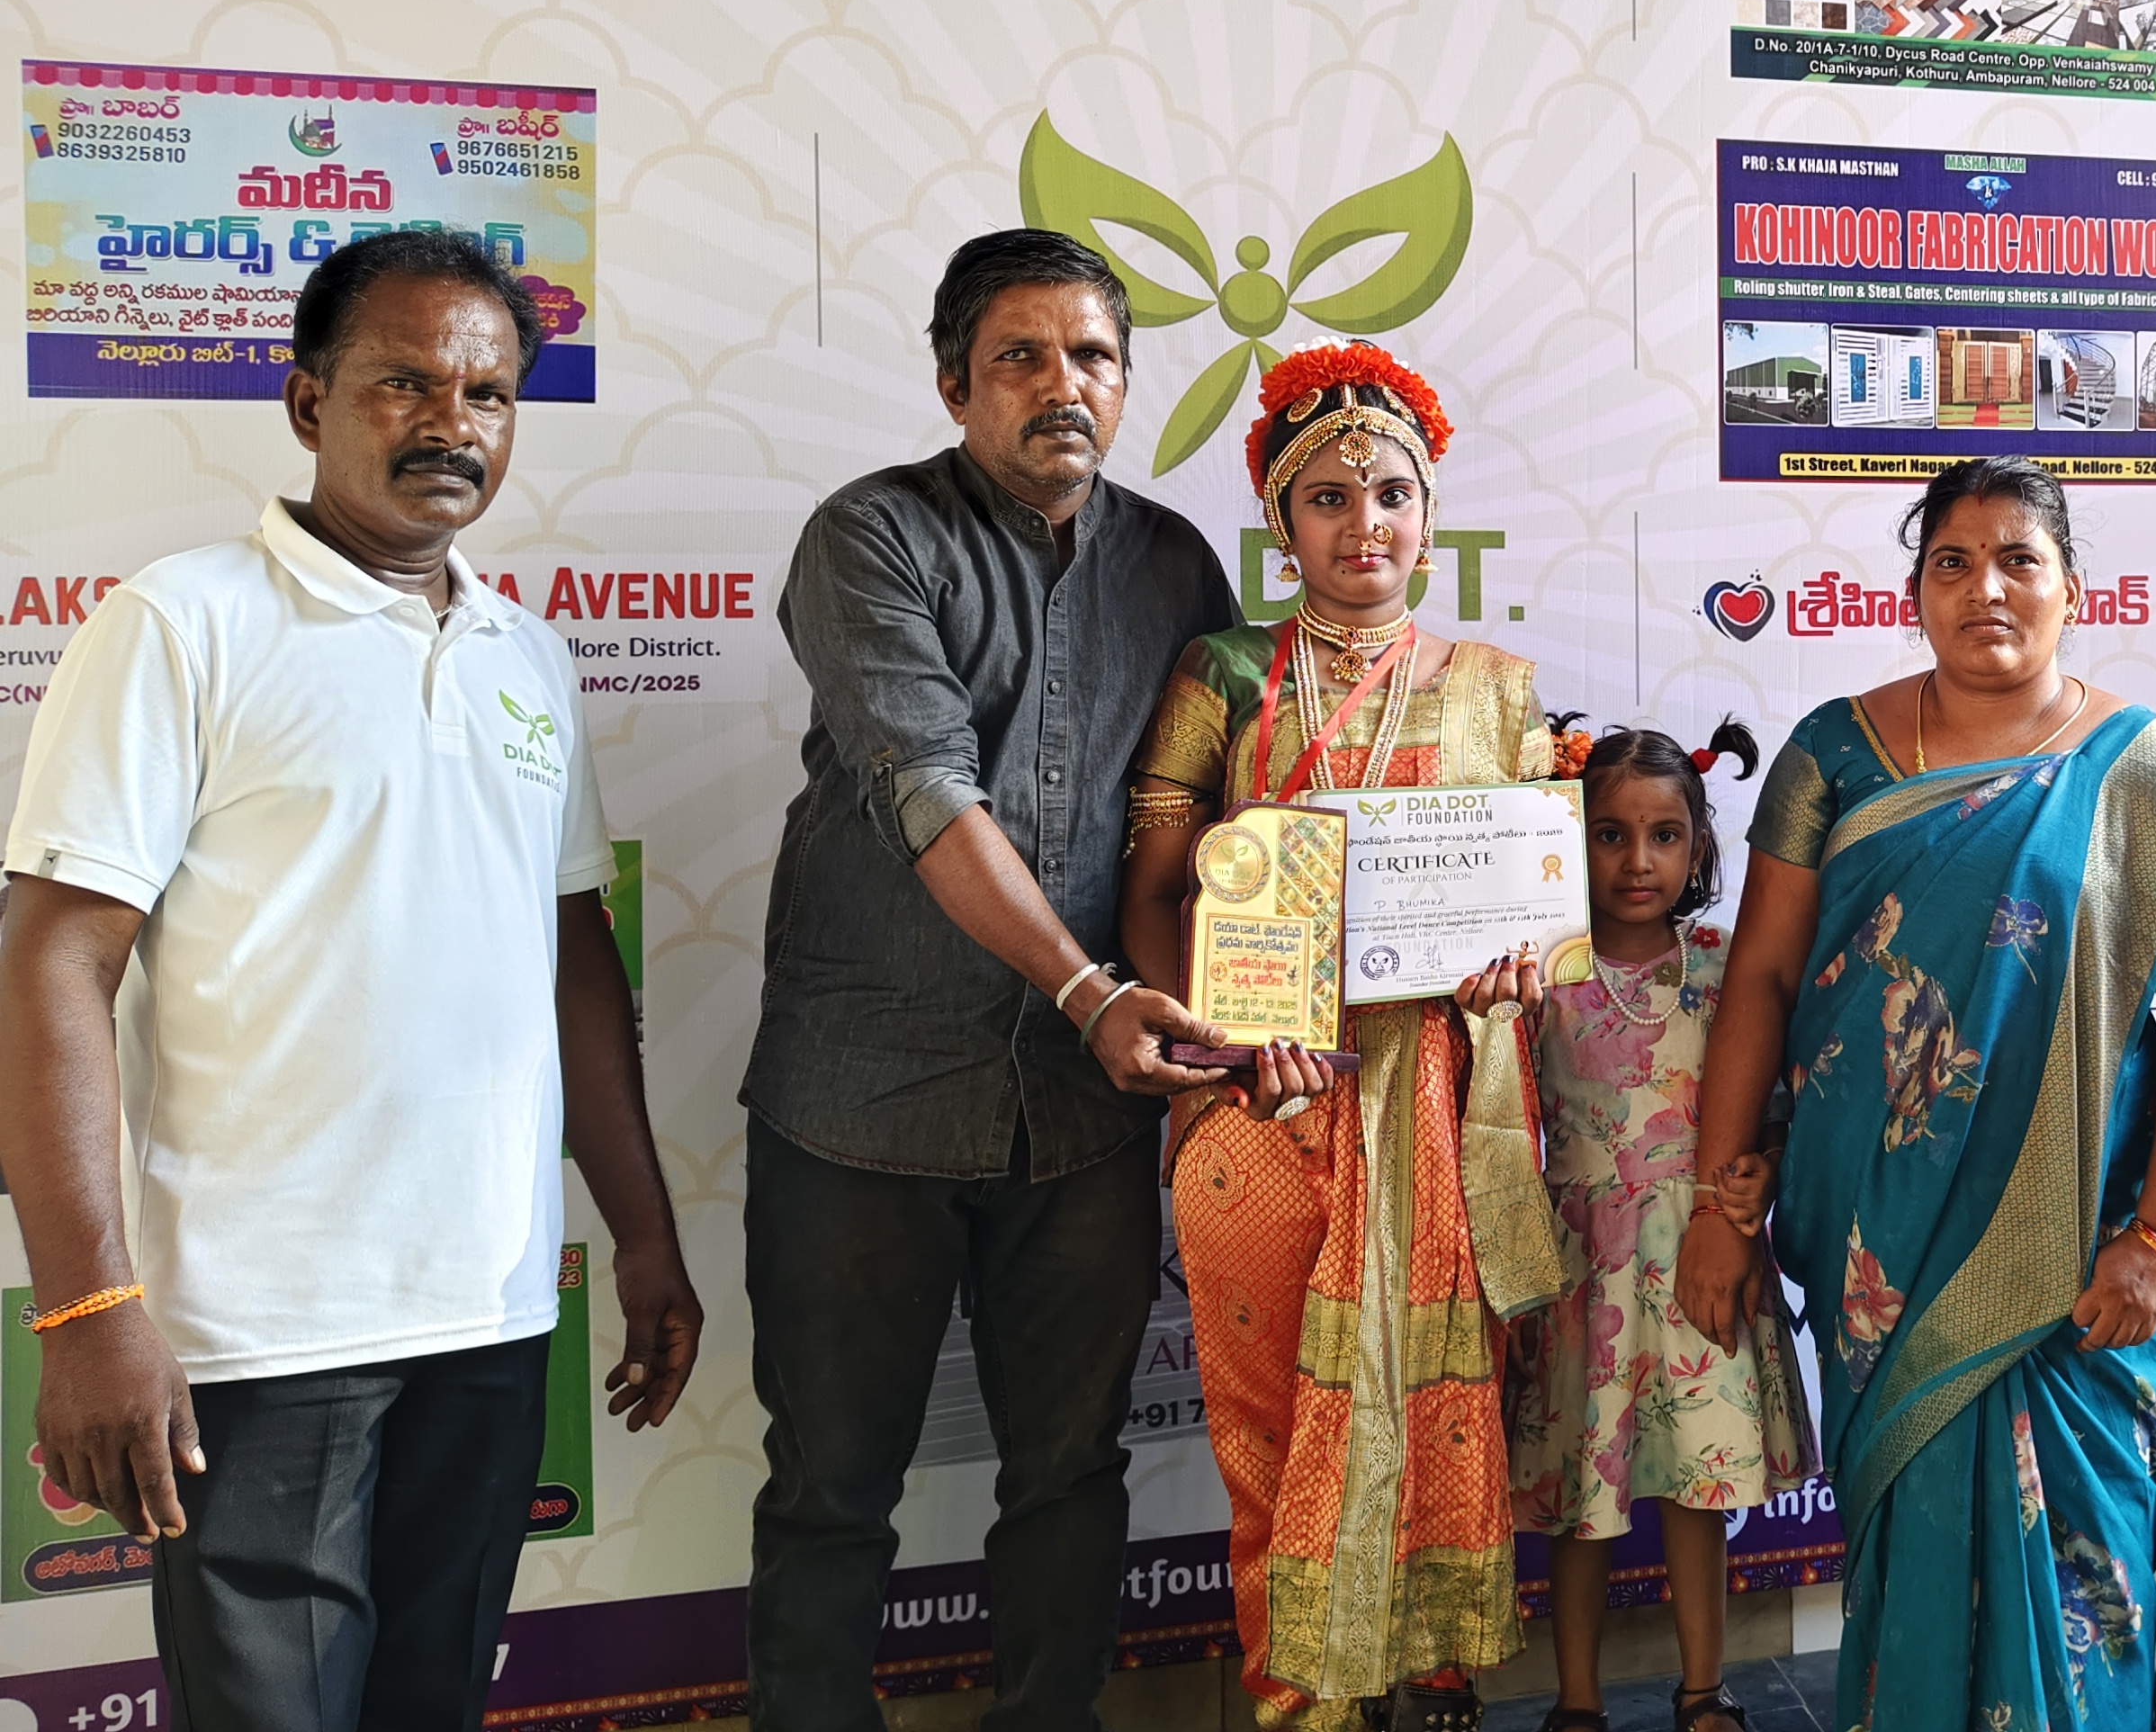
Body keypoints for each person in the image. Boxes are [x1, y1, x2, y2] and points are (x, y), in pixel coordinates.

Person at [0, 228, 702, 1731]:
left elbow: (573, 961)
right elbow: (55, 961)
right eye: (405, 383)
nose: (452, 423)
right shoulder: (182, 623)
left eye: (488, 393)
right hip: (261, 1328)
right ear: (309, 400)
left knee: (429, 1702)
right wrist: (85, 1307)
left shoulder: (526, 654)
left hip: (490, 1308)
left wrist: (644, 1233)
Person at [1675, 458, 2156, 1732]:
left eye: (2020, 559)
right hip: (1879, 1251)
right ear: (1913, 594)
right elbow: (1763, 981)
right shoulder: (1833, 754)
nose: (1986, 589)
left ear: (2075, 590)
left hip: (2082, 1264)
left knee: (2088, 1595)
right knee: (1907, 1572)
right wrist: (1716, 1204)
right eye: (1952, 563)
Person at [741, 228, 1244, 1730]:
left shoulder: (1177, 564)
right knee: (832, 1485)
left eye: (1092, 355)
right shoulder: (872, 537)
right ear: (956, 383)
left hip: (1085, 1116)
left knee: (1070, 1471)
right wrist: (1093, 994)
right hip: (865, 1103)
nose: (1061, 384)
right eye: (1019, 356)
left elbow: (1220, 829)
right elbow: (928, 792)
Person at [1117, 340, 1567, 1732]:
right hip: (1260, 1111)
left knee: (1442, 1408)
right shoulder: (1223, 673)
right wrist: (1221, 1056)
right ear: (1280, 521)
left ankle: (1434, 1683)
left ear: (1430, 516)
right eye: (1327, 497)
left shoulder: (1496, 688)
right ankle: (1297, 1703)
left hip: (1435, 1103)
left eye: (1390, 494)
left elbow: (1539, 916)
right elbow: (1153, 895)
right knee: (1266, 1430)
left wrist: (1515, 976)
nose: (1363, 524)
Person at [1503, 722, 1814, 1732]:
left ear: (1698, 846)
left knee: (1695, 1487)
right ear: (1569, 840)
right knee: (1578, 1500)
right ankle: (1577, 1701)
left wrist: (1761, 1171)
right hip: (1581, 1267)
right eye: (1610, 835)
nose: (1638, 861)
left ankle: (1702, 1690)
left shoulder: (1727, 967)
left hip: (1700, 1258)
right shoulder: (1538, 973)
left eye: (1665, 836)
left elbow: (1774, 1105)